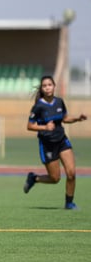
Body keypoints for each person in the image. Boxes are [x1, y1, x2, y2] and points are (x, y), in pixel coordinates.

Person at [23, 75, 87, 209]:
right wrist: (45, 127)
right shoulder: (38, 106)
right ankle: (34, 178)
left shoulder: (59, 101)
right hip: (48, 145)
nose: (47, 87)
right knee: (55, 178)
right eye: (45, 85)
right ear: (42, 88)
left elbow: (64, 118)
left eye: (49, 85)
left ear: (54, 86)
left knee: (71, 173)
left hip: (62, 141)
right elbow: (29, 126)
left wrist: (77, 119)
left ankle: (69, 203)